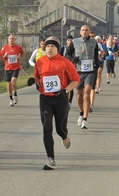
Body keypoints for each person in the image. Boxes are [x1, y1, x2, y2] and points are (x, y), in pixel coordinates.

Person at [33, 36, 80, 170]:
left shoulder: (65, 62)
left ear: (57, 48)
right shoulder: (40, 62)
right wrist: (33, 80)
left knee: (60, 129)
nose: (49, 48)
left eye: (52, 46)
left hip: (60, 99)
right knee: (46, 127)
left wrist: (65, 91)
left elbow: (75, 80)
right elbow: (37, 76)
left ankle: (64, 137)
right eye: (47, 46)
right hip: (45, 99)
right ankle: (51, 159)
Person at [65, 25, 99, 129]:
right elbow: (67, 55)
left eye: (86, 30)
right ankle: (81, 113)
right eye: (83, 30)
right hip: (78, 71)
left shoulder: (94, 42)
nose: (84, 32)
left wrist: (96, 65)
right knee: (79, 95)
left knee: (87, 95)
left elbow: (96, 56)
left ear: (89, 32)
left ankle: (85, 119)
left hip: (90, 71)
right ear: (80, 32)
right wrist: (73, 59)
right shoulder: (74, 42)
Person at [0, 35, 24, 106]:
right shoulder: (5, 47)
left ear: (14, 40)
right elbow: (0, 57)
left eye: (13, 38)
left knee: (13, 82)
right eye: (10, 38)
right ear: (8, 39)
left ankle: (15, 94)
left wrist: (19, 55)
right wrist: (4, 56)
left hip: (16, 68)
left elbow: (22, 53)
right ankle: (10, 99)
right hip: (7, 68)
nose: (11, 40)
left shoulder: (18, 47)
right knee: (9, 85)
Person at [59, 34, 75, 108]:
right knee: (63, 85)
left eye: (71, 40)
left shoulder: (75, 49)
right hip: (64, 69)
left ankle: (69, 101)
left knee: (71, 86)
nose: (70, 41)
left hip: (72, 69)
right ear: (66, 41)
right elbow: (59, 57)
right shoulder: (63, 48)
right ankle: (64, 100)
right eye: (68, 40)